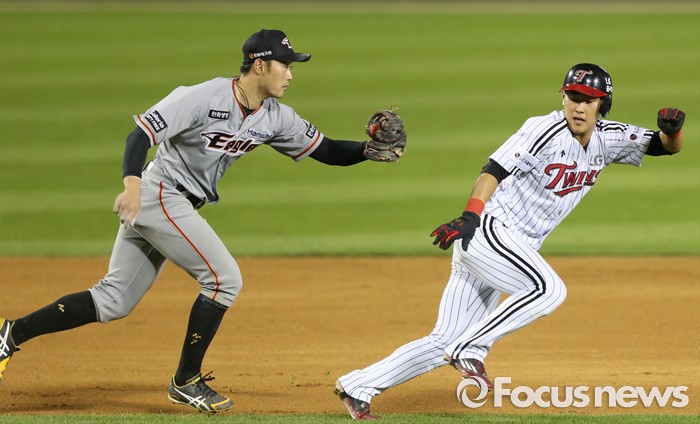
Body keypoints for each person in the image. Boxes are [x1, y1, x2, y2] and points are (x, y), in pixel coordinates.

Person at [0, 29, 405, 412]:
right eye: (285, 65)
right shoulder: (202, 97)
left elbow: (327, 150)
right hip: (158, 194)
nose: (290, 74)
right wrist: (131, 184)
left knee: (113, 300)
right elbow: (140, 135)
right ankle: (186, 379)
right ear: (259, 65)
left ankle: (10, 333)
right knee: (224, 279)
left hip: (174, 204)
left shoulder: (276, 117)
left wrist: (366, 151)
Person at [334, 63, 685, 420]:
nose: (579, 107)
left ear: (602, 105)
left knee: (443, 340)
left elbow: (663, 146)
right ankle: (471, 348)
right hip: (489, 232)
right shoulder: (543, 129)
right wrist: (471, 215)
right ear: (563, 97)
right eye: (573, 97)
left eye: (588, 100)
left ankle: (358, 386)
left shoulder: (609, 138)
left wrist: (673, 132)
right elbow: (493, 170)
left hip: (507, 249)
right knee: (548, 290)